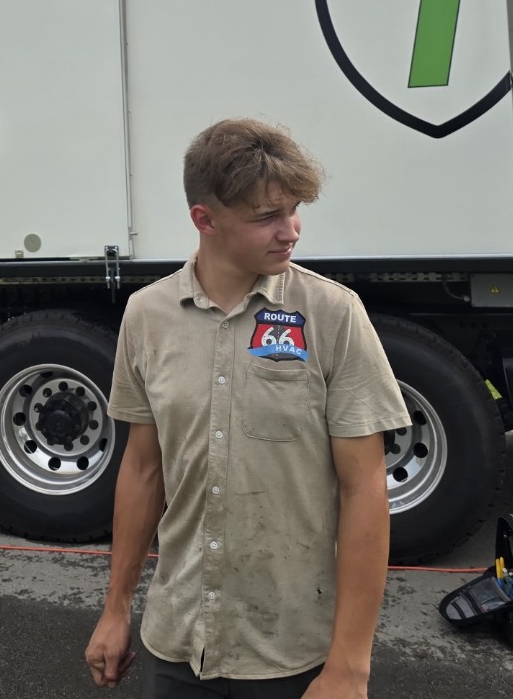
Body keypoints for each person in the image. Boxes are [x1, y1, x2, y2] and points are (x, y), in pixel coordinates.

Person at [85, 117, 410, 697]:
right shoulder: (146, 316)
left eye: (295, 210)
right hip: (176, 644)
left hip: (292, 654)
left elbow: (364, 490)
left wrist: (349, 666)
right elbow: (142, 468)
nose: (291, 230)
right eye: (267, 216)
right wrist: (116, 609)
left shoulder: (333, 315)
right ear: (204, 220)